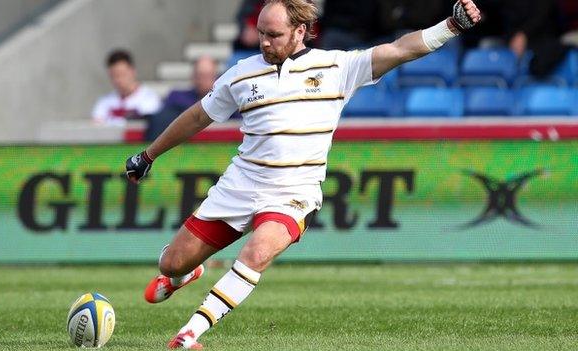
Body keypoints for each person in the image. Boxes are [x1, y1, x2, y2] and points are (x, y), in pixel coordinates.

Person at [125, 0, 480, 348]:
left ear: (301, 31)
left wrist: (450, 27)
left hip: (294, 193)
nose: (265, 41)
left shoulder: (337, 67)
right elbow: (198, 117)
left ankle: (189, 334)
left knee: (257, 253)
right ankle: (184, 274)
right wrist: (148, 154)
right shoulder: (241, 73)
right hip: (240, 185)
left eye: (274, 34)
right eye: (261, 32)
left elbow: (401, 49)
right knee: (171, 262)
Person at [145, 56, 239, 140]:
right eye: (199, 75)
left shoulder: (229, 103)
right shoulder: (177, 98)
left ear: (217, 77)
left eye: (207, 76)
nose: (202, 80)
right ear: (193, 76)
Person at [92, 49, 162, 126]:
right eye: (114, 76)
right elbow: (97, 125)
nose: (118, 80)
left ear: (133, 71)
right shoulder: (104, 102)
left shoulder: (150, 99)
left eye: (122, 74)